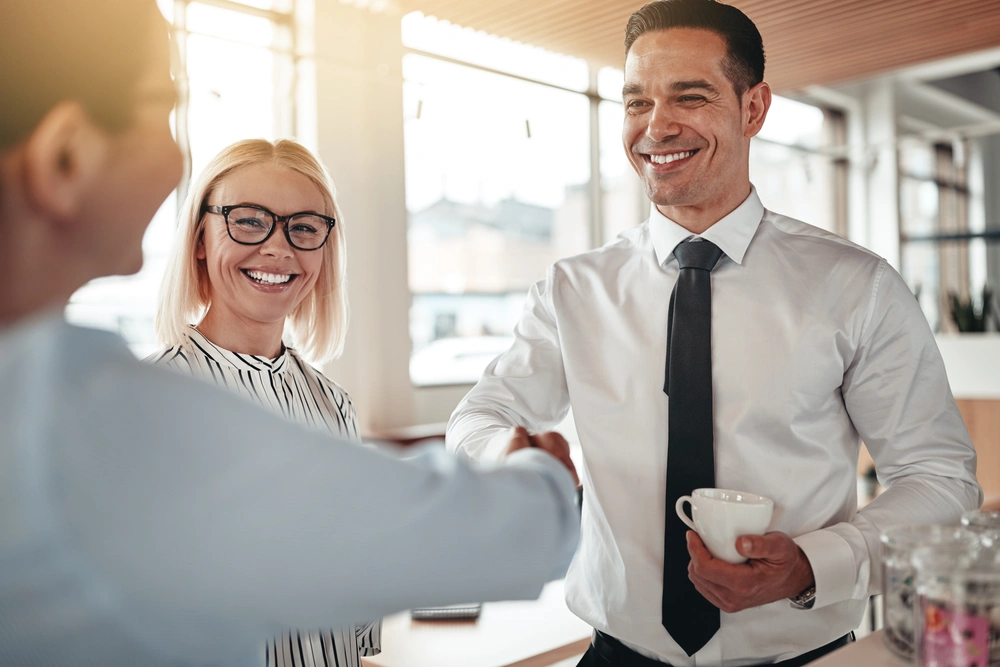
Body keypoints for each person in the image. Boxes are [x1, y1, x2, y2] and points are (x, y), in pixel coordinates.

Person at [0, 2, 579, 666]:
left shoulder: (326, 401)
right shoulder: (100, 414)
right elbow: (445, 533)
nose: (171, 154)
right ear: (65, 157)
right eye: (163, 111)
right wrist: (540, 479)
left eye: (304, 228)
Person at [446, 1, 982, 665]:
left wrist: (814, 564)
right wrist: (507, 453)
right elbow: (480, 415)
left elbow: (940, 477)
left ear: (754, 108)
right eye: (636, 100)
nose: (655, 126)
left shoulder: (856, 287)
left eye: (689, 97)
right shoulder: (572, 289)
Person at [148, 138, 378, 667]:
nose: (279, 248)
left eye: (303, 227)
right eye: (249, 221)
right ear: (200, 238)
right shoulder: (144, 405)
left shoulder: (334, 406)